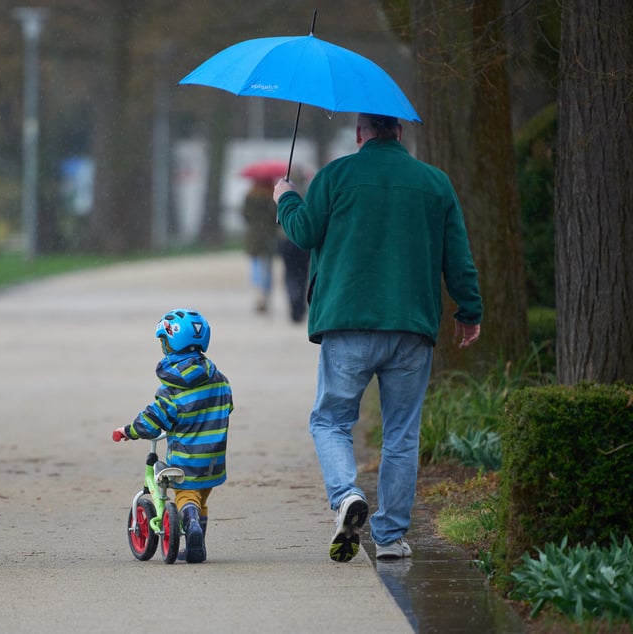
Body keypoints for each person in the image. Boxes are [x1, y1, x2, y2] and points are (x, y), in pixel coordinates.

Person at [273, 113, 482, 563]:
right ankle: (389, 537)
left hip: (348, 322)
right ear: (400, 133)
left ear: (359, 134)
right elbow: (457, 255)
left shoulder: (336, 176)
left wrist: (286, 198)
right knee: (402, 434)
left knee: (330, 420)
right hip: (411, 326)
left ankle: (347, 495)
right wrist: (469, 311)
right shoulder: (435, 183)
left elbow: (303, 232)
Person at [112, 308, 233, 563]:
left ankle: (190, 524)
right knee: (201, 498)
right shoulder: (220, 380)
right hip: (213, 461)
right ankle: (195, 547)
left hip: (186, 458)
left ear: (171, 344)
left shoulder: (172, 390)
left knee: (186, 497)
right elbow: (228, 406)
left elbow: (152, 420)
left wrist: (129, 431)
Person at [242, 179, 279, 313]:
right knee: (267, 266)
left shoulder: (250, 196)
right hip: (269, 234)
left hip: (254, 235)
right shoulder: (272, 196)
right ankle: (266, 292)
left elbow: (245, 215)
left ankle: (258, 293)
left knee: (256, 264)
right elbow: (276, 216)